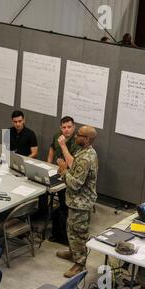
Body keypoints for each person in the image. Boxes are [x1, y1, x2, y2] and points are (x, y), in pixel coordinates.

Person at [55, 126, 98, 278]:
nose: (75, 137)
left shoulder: (86, 158)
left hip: (81, 202)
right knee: (72, 229)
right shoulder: (85, 151)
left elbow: (75, 184)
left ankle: (79, 263)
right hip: (76, 201)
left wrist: (63, 171)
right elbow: (76, 168)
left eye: (79, 135)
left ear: (86, 139)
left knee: (79, 233)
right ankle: (74, 252)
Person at [47, 116, 81, 244]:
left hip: (69, 175)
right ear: (60, 128)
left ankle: (62, 235)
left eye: (69, 127)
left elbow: (72, 164)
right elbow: (52, 148)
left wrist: (62, 146)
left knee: (63, 204)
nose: (66, 130)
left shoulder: (78, 141)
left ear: (74, 127)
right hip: (55, 170)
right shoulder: (57, 135)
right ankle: (41, 214)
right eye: (64, 127)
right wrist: (48, 163)